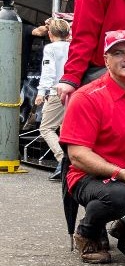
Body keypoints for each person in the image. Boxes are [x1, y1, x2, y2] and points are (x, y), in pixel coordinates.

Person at [60, 30, 125, 264]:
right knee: (119, 195)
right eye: (117, 53)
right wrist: (120, 173)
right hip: (93, 177)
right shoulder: (87, 97)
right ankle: (87, 232)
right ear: (105, 60)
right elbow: (77, 155)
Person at [35, 17, 71, 180]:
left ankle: (62, 159)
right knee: (65, 127)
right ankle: (68, 162)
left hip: (57, 91)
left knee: (46, 128)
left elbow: (48, 72)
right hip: (72, 90)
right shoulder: (73, 47)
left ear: (50, 33)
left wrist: (41, 92)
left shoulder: (51, 49)